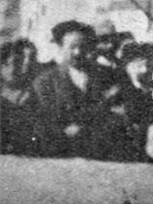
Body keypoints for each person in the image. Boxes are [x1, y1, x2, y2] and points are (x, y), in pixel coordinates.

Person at [29, 20, 116, 159]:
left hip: (100, 154)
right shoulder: (45, 82)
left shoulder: (106, 77)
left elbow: (115, 113)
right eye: (72, 47)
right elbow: (43, 121)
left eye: (83, 47)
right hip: (61, 154)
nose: (77, 52)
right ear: (60, 47)